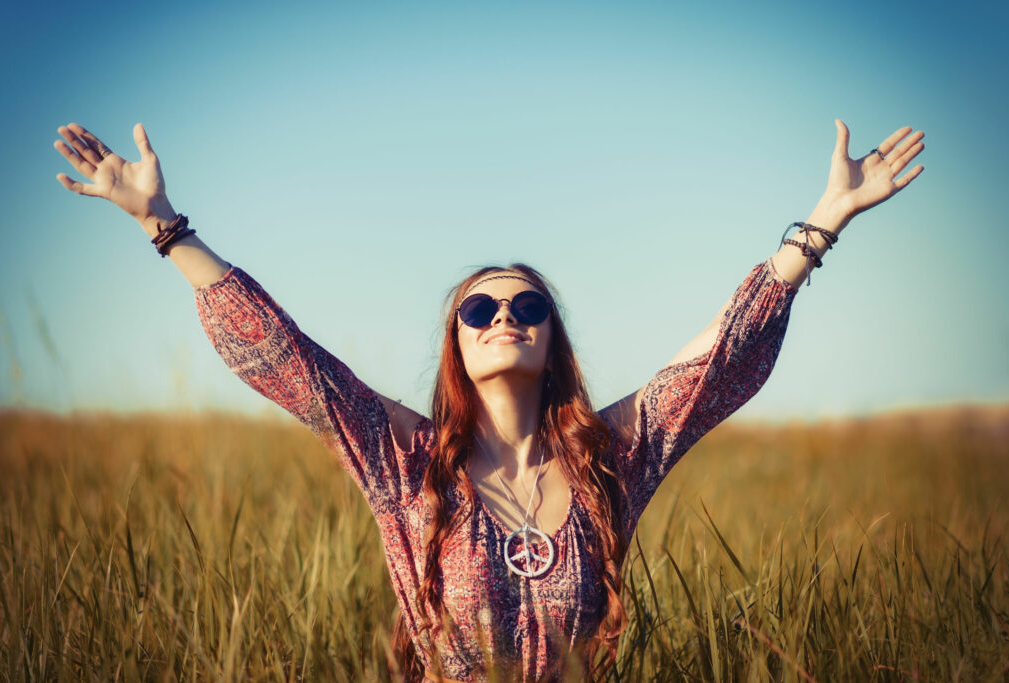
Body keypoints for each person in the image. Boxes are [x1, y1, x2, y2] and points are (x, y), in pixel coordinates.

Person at [53, 120, 924, 681]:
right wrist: (163, 225)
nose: (504, 314)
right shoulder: (405, 462)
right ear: (459, 347)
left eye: (527, 304)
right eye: (481, 307)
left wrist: (821, 225)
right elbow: (288, 359)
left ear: (552, 342)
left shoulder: (609, 458)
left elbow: (714, 359)